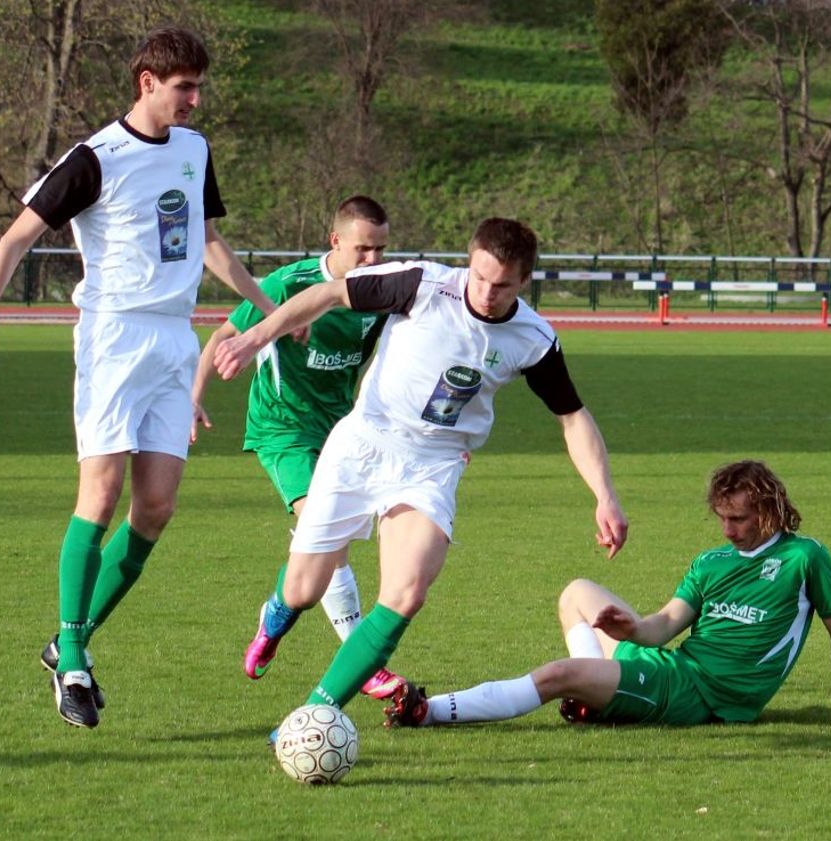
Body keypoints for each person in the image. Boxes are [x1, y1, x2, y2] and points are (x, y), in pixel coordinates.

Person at [0, 26, 280, 730]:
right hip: (114, 339)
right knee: (99, 495)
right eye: (183, 86)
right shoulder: (97, 158)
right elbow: (12, 241)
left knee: (154, 508)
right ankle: (71, 655)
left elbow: (210, 243)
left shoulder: (194, 150)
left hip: (173, 340)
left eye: (198, 86)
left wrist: (269, 309)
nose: (194, 99)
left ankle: (69, 639)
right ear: (147, 82)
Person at [212, 217, 628, 737]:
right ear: (469, 262)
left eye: (502, 285)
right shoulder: (421, 284)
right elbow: (330, 294)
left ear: (524, 282)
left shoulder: (535, 339)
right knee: (304, 588)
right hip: (364, 443)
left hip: (433, 464)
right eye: (480, 277)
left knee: (406, 593)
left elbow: (572, 416)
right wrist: (255, 337)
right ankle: (276, 613)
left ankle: (312, 715)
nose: (487, 292)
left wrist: (604, 496)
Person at [384, 460, 831, 732]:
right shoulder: (711, 563)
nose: (727, 530)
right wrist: (630, 629)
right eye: (722, 518)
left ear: (769, 511)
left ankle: (429, 710)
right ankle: (591, 704)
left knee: (561, 673)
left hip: (706, 697)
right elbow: (663, 625)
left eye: (740, 519)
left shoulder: (804, 558)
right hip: (680, 670)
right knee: (576, 591)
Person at [191, 194, 406, 700]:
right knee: (323, 527)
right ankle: (362, 661)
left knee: (328, 549)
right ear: (336, 241)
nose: (374, 260)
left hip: (342, 430)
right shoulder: (289, 285)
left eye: (381, 249)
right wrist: (192, 397)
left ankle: (276, 616)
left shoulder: (383, 293)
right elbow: (225, 336)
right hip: (282, 427)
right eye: (363, 249)